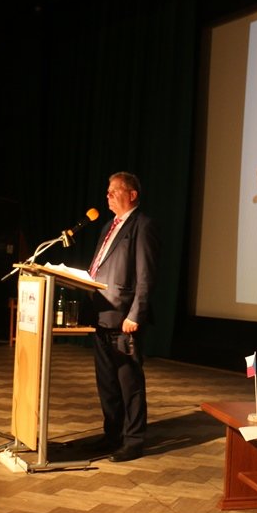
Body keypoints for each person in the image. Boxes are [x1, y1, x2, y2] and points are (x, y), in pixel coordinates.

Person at [84, 172, 159, 462]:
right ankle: (112, 434)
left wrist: (136, 314)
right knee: (107, 383)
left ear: (132, 194)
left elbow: (146, 274)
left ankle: (134, 440)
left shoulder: (143, 225)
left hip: (124, 318)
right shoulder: (108, 226)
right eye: (108, 191)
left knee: (129, 383)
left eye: (114, 191)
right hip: (101, 315)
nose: (108, 195)